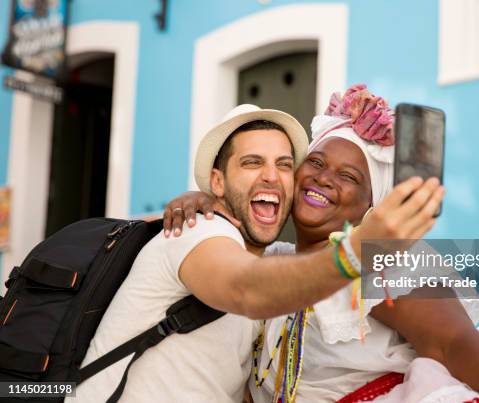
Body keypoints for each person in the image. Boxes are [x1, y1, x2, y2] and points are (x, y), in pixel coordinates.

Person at [166, 85, 479, 402]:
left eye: (348, 177)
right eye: (315, 162)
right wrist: (207, 200)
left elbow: (455, 344)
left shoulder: (376, 257)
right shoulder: (274, 262)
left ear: (369, 209)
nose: (323, 177)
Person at [69, 103, 444, 403]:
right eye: (251, 163)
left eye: (284, 165)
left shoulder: (274, 264)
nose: (270, 176)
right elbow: (246, 290)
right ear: (217, 181)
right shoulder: (198, 230)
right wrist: (356, 250)